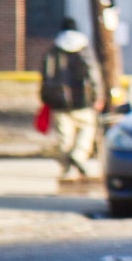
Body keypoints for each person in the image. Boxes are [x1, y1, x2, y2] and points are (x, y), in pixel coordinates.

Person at [40, 19, 102, 179]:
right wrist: (97, 96)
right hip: (84, 101)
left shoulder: (53, 51)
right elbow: (93, 75)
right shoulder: (85, 50)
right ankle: (79, 156)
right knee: (87, 131)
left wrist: (46, 98)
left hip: (59, 102)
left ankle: (66, 169)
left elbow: (46, 76)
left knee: (64, 138)